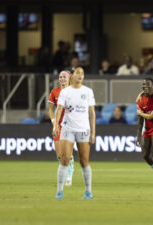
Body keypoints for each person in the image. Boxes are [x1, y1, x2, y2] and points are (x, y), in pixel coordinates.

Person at [54, 67, 96, 199]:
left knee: (84, 161)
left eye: (82, 73)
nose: (80, 75)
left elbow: (91, 113)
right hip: (68, 129)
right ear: (72, 76)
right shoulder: (65, 92)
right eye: (77, 73)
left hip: (83, 129)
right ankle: (60, 191)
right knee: (64, 158)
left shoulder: (88, 92)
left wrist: (93, 132)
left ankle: (88, 191)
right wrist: (56, 125)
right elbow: (59, 108)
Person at [48, 70, 74, 186]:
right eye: (60, 77)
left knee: (66, 152)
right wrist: (54, 122)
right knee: (59, 155)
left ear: (69, 79)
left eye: (64, 77)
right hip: (58, 125)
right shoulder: (54, 92)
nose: (62, 79)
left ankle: (68, 174)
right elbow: (50, 110)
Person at [136, 78, 153, 185]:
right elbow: (140, 119)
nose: (145, 86)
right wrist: (138, 135)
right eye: (144, 84)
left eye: (148, 85)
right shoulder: (140, 99)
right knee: (145, 155)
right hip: (147, 129)